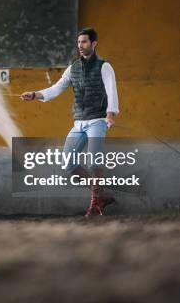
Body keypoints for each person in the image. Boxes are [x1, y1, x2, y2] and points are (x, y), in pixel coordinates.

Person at [21, 27, 119, 217]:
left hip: (98, 120)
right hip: (79, 123)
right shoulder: (72, 68)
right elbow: (55, 89)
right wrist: (34, 95)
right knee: (68, 163)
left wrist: (110, 114)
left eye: (84, 42)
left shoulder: (104, 66)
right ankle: (100, 195)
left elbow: (111, 91)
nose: (80, 46)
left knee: (94, 162)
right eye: (78, 42)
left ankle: (94, 204)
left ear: (94, 44)